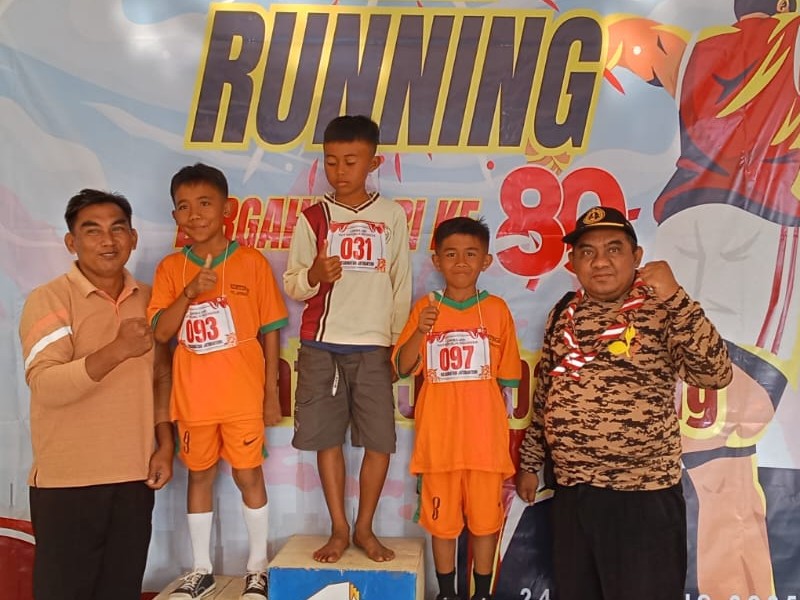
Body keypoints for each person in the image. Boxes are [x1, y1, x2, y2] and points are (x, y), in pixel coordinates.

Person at [516, 206, 733, 600]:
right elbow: (546, 393)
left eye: (614, 249)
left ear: (637, 257)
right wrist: (531, 463)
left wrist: (675, 297)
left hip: (642, 497)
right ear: (573, 262)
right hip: (574, 494)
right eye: (587, 252)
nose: (600, 261)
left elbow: (715, 374)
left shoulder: (662, 308)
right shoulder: (563, 313)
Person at [18, 189, 174, 600]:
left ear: (133, 238)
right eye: (93, 231)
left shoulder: (151, 298)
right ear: (72, 242)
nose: (108, 240)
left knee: (121, 590)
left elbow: (161, 376)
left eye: (117, 229)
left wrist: (165, 444)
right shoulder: (49, 299)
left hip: (134, 477)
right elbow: (45, 384)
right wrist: (117, 350)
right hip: (68, 482)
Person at [148, 163, 288, 600]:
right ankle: (201, 570)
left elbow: (271, 331)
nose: (194, 215)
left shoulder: (251, 262)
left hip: (242, 397)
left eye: (205, 204)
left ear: (227, 209)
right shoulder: (171, 268)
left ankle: (257, 569)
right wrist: (190, 293)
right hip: (193, 400)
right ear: (174, 215)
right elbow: (161, 332)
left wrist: (271, 394)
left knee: (248, 476)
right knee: (200, 476)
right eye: (183, 207)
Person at [283, 115, 412, 563]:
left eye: (351, 161)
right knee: (327, 439)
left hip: (374, 346)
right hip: (321, 345)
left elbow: (400, 282)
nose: (340, 171)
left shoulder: (391, 215)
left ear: (373, 163)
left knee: (379, 442)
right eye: (332, 161)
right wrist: (314, 275)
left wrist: (394, 343)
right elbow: (293, 283)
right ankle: (339, 528)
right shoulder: (313, 217)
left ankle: (365, 527)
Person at [394, 217, 521, 600]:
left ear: (486, 261)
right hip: (439, 444)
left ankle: (481, 594)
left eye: (470, 254)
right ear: (436, 260)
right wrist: (421, 330)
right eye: (451, 254)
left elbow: (508, 379)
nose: (461, 262)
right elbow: (401, 367)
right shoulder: (426, 308)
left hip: (485, 446)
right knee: (443, 525)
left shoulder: (497, 310)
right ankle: (447, 593)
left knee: (485, 524)